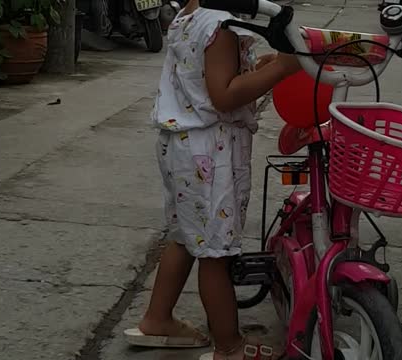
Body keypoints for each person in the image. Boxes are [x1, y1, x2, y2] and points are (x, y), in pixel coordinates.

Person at [123, 0, 302, 359]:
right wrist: (283, 66)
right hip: (211, 152)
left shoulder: (189, 15)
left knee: (185, 237)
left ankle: (158, 319)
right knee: (216, 254)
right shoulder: (221, 26)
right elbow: (223, 96)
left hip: (182, 146)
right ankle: (230, 346)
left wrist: (258, 68)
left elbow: (203, 78)